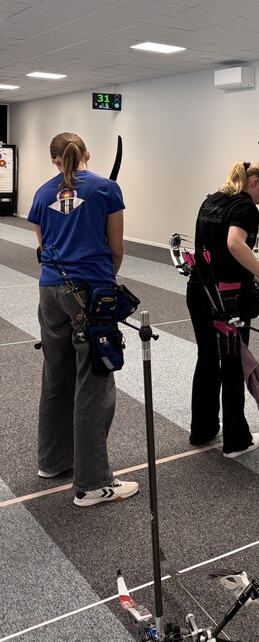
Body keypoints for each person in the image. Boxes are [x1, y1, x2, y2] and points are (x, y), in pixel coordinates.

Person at [28, 132, 139, 507]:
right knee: (94, 384)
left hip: (50, 291)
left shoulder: (42, 194)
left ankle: (52, 461)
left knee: (55, 375)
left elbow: (43, 248)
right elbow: (116, 249)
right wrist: (102, 284)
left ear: (54, 160)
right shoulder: (106, 189)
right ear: (86, 152)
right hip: (88, 293)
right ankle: (92, 484)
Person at [187, 161, 259, 457]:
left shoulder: (212, 200)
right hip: (227, 300)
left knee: (207, 358)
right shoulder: (245, 207)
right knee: (232, 364)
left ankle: (203, 429)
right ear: (254, 182)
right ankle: (236, 440)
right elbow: (234, 243)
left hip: (199, 291)